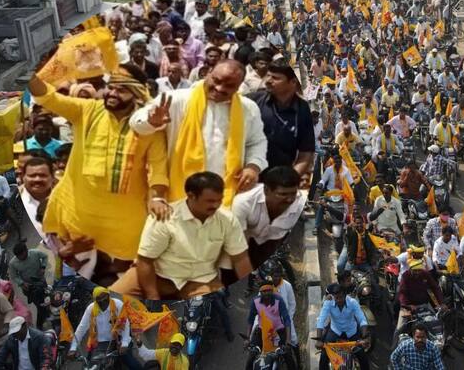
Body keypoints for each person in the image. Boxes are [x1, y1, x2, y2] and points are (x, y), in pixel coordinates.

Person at [29, 64, 170, 283]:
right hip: (80, 215)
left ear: (136, 95)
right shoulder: (88, 110)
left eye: (121, 89)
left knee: (125, 269)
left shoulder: (149, 128)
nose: (112, 93)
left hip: (124, 221)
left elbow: (158, 169)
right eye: (110, 87)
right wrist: (26, 76)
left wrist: (158, 197)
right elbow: (49, 98)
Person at [130, 59, 268, 206]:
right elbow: (136, 123)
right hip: (179, 190)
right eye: (216, 80)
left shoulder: (248, 108)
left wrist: (253, 166)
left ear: (239, 86)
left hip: (226, 193)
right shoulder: (177, 99)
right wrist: (151, 122)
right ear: (208, 74)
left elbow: (257, 141)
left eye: (229, 86)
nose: (220, 88)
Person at [110, 171, 252, 300]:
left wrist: (252, 293)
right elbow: (145, 260)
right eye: (210, 201)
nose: (216, 205)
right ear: (191, 196)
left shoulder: (227, 219)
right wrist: (153, 298)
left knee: (215, 318)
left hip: (201, 280)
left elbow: (240, 258)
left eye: (219, 200)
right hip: (158, 276)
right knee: (107, 304)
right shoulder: (165, 217)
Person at [247, 60, 315, 181]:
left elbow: (306, 153)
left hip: (277, 183)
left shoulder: (303, 110)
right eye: (268, 75)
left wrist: (289, 179)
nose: (268, 81)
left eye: (275, 78)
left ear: (293, 82)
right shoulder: (252, 101)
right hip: (248, 176)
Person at [231, 165, 306, 269]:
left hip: (274, 242)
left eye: (293, 194)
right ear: (266, 190)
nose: (289, 200)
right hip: (247, 240)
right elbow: (239, 247)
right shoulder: (243, 203)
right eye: (283, 194)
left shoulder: (301, 203)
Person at [69, 287, 139, 369]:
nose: (102, 301)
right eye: (99, 299)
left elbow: (125, 324)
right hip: (100, 344)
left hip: (119, 340)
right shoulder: (90, 309)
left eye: (105, 297)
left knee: (131, 363)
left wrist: (124, 343)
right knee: (89, 366)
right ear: (95, 300)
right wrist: (73, 348)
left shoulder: (118, 304)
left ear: (108, 295)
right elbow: (81, 328)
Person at [315, 284, 370, 370]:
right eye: (336, 298)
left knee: (363, 357)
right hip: (335, 332)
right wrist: (318, 339)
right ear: (333, 296)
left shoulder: (353, 302)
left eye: (341, 297)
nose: (339, 300)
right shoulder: (328, 303)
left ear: (345, 295)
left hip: (352, 332)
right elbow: (321, 320)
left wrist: (365, 337)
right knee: (324, 357)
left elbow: (362, 319)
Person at [244, 283, 296, 370]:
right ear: (260, 292)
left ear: (272, 291)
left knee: (288, 355)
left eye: (269, 291)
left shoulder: (279, 300)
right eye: (264, 291)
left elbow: (287, 320)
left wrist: (288, 339)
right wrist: (247, 338)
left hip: (278, 332)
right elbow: (250, 320)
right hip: (262, 331)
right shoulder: (255, 302)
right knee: (251, 357)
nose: (267, 293)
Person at [396, 260, 444, 340]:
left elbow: (435, 288)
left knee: (436, 322)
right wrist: (407, 306)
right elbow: (402, 293)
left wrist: (441, 303)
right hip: (408, 307)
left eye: (419, 270)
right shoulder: (405, 276)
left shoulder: (425, 274)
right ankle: (395, 348)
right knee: (399, 329)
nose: (417, 272)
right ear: (410, 269)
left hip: (425, 305)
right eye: (415, 270)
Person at [9, 242, 48, 329]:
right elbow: (14, 276)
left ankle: (46, 316)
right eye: (19, 257)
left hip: (41, 282)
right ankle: (39, 324)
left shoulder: (35, 253)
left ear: (26, 250)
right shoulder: (13, 263)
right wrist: (22, 283)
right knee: (40, 305)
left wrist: (43, 267)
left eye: (22, 255)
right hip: (29, 288)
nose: (21, 258)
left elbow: (45, 256)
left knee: (47, 300)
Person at [314, 154, 354, 235]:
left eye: (339, 161)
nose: (338, 163)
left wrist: (353, 187)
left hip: (342, 193)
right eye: (336, 161)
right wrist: (320, 184)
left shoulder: (346, 170)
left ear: (341, 161)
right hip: (330, 193)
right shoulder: (329, 170)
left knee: (349, 205)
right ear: (334, 161)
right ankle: (316, 226)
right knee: (322, 205)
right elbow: (323, 180)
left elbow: (351, 182)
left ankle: (349, 225)